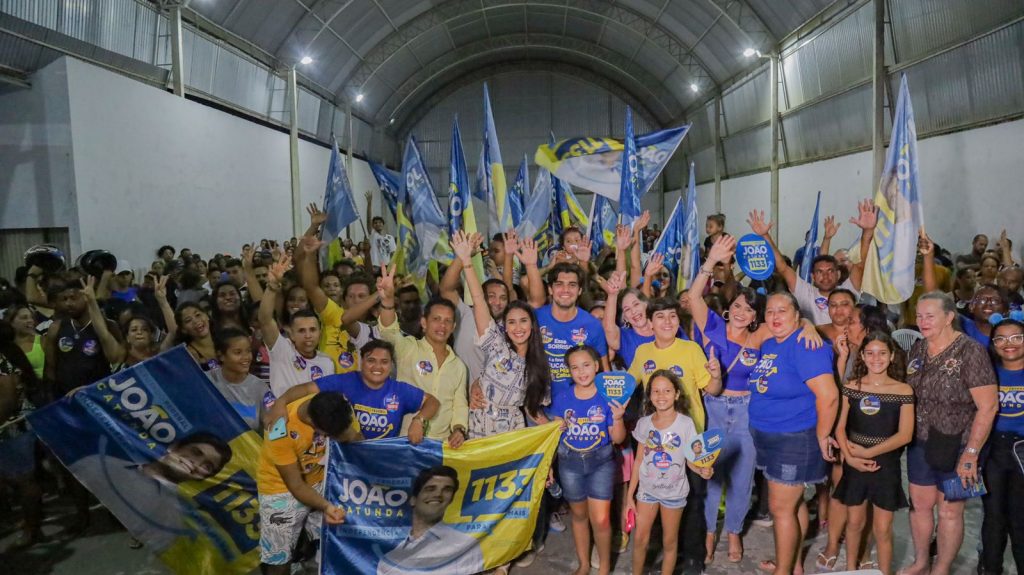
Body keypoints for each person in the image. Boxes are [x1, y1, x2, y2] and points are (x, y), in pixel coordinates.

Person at [689, 235, 822, 565]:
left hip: (748, 411)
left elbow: (792, 322)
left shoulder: (760, 335)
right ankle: (709, 533)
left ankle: (734, 531)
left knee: (743, 477)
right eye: (737, 306)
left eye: (748, 309)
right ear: (728, 309)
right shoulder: (711, 327)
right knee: (710, 474)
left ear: (754, 317)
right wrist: (711, 262)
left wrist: (807, 324)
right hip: (714, 408)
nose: (741, 312)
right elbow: (693, 297)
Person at [902, 291, 998, 575]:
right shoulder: (918, 349)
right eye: (919, 316)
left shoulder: (971, 352)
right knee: (920, 506)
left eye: (930, 316)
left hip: (959, 444)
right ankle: (921, 561)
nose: (923, 321)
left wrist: (971, 453)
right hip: (920, 441)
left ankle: (941, 568)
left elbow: (988, 406)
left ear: (949, 317)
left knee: (949, 511)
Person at [627, 297, 723, 575]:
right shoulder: (643, 352)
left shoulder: (691, 349)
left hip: (690, 442)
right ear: (650, 323)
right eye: (660, 317)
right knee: (657, 506)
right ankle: (664, 555)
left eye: (672, 316)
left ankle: (692, 558)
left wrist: (716, 376)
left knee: (692, 503)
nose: (667, 322)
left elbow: (713, 389)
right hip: (657, 442)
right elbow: (627, 384)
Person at [747, 291, 838, 575]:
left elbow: (829, 397)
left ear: (797, 315)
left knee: (780, 509)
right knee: (793, 504)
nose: (775, 316)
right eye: (770, 311)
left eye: (782, 311)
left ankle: (783, 571)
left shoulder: (806, 346)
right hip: (768, 436)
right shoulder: (772, 343)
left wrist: (823, 435)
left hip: (794, 438)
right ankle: (794, 565)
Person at [450, 230, 549, 437]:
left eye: (523, 321)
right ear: (505, 327)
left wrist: (553, 428)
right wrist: (467, 262)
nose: (518, 328)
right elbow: (479, 300)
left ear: (532, 326)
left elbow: (532, 409)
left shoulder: (539, 365)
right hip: (478, 429)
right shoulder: (496, 346)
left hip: (511, 436)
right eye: (511, 322)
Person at [832, 332, 914, 575]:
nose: (875, 358)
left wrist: (868, 452)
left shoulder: (903, 390)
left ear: (892, 356)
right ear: (862, 356)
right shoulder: (851, 387)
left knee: (883, 528)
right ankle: (850, 569)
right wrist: (850, 457)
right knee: (854, 523)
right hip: (854, 463)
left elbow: (904, 435)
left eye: (882, 353)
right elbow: (839, 427)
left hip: (885, 465)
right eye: (870, 353)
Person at [69, 433, 233, 552]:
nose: (195, 463)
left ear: (204, 478)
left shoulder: (172, 521)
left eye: (207, 466)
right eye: (196, 452)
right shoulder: (97, 463)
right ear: (174, 447)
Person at [258, 391, 357, 574]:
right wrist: (327, 507)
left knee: (342, 531)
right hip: (280, 489)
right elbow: (296, 486)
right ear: (312, 422)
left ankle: (303, 545)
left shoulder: (337, 405)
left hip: (321, 478)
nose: (336, 438)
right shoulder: (279, 430)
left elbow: (354, 438)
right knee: (279, 557)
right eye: (330, 435)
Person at [548, 345, 627, 575]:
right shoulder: (562, 398)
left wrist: (618, 418)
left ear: (596, 366)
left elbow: (618, 438)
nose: (581, 371)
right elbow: (553, 437)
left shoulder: (608, 397)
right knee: (579, 516)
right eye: (575, 367)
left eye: (586, 365)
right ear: (569, 371)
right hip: (569, 464)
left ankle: (604, 568)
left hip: (601, 464)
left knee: (601, 520)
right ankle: (583, 564)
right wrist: (549, 466)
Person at [627, 370, 713, 575]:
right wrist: (630, 495)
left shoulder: (686, 424)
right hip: (646, 492)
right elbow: (638, 460)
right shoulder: (644, 423)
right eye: (656, 391)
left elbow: (690, 460)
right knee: (639, 539)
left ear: (676, 394)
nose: (661, 395)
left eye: (667, 390)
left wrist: (702, 470)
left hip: (674, 494)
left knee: (669, 541)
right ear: (649, 395)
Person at [267, 340, 440, 442]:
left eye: (384, 362)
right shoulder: (344, 381)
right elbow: (306, 388)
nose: (378, 367)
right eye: (371, 360)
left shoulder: (399, 390)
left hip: (381, 462)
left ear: (391, 365)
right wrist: (281, 402)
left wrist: (418, 420)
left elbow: (432, 402)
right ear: (361, 361)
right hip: (344, 464)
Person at [376, 264, 468, 445]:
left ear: (453, 327)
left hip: (440, 446)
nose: (442, 326)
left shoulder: (458, 366)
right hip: (406, 440)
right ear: (424, 323)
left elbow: (459, 405)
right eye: (436, 319)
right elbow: (388, 332)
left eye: (448, 321)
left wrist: (459, 429)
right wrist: (387, 301)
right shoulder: (409, 348)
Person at [747, 204, 876, 324]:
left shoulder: (848, 290)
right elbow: (783, 268)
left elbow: (860, 265)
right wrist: (765, 236)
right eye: (820, 272)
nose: (825, 276)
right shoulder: (805, 292)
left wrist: (868, 231)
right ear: (813, 276)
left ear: (838, 274)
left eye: (830, 271)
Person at [377, 466, 484, 575]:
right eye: (430, 489)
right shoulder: (389, 561)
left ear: (451, 499)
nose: (438, 494)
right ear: (413, 500)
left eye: (447, 489)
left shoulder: (466, 546)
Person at [527, 261, 609, 400]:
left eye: (572, 285)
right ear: (550, 289)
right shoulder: (534, 318)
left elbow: (604, 371)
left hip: (580, 407)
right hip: (538, 403)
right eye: (559, 284)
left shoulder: (593, 325)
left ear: (580, 290)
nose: (565, 290)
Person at [980, 318, 1024, 574]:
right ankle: (991, 568)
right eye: (1001, 338)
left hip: (1022, 451)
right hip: (993, 450)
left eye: (1017, 337)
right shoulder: (988, 373)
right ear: (993, 344)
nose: (1009, 344)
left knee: (1020, 518)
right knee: (994, 516)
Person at [258, 256, 334, 399]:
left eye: (312, 330)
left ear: (320, 332)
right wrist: (273, 286)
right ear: (291, 334)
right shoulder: (282, 350)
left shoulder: (327, 362)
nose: (308, 335)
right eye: (301, 331)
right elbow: (265, 320)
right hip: (283, 412)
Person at [0, 319, 43, 551]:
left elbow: (7, 397)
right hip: (8, 428)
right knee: (16, 478)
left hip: (12, 427)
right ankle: (31, 521)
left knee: (24, 479)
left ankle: (32, 529)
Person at [207, 328, 269, 431]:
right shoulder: (206, 381)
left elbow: (272, 425)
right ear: (221, 356)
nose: (246, 357)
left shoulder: (260, 387)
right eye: (238, 352)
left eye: (248, 351)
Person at [366, 191, 397, 268]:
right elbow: (368, 220)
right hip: (376, 265)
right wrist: (369, 203)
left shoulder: (390, 238)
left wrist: (392, 266)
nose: (378, 224)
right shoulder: (373, 235)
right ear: (373, 226)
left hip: (387, 265)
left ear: (383, 224)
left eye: (380, 222)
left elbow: (393, 253)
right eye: (375, 223)